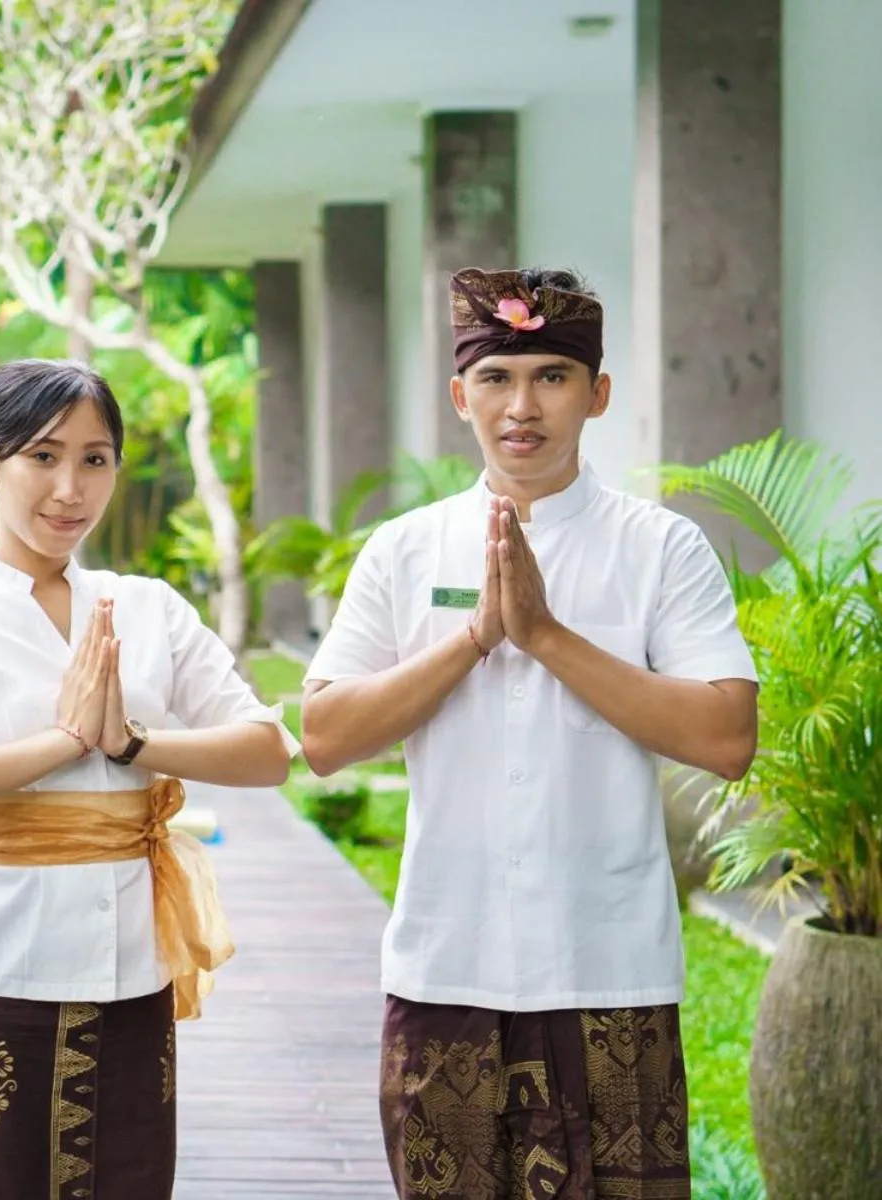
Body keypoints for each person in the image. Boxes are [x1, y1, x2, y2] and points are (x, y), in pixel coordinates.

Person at [300, 267, 759, 1198]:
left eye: (552, 376)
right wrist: (475, 639)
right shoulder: (405, 548)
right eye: (499, 378)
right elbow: (325, 734)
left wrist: (546, 637)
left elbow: (726, 735)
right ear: (459, 393)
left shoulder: (661, 548)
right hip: (446, 970)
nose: (523, 405)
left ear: (598, 395)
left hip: (610, 974)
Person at [0, 358, 299, 1199]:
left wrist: (132, 745)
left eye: (95, 460)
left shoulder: (151, 607)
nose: (70, 488)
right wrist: (63, 743)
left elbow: (267, 751)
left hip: (133, 971)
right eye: (44, 456)